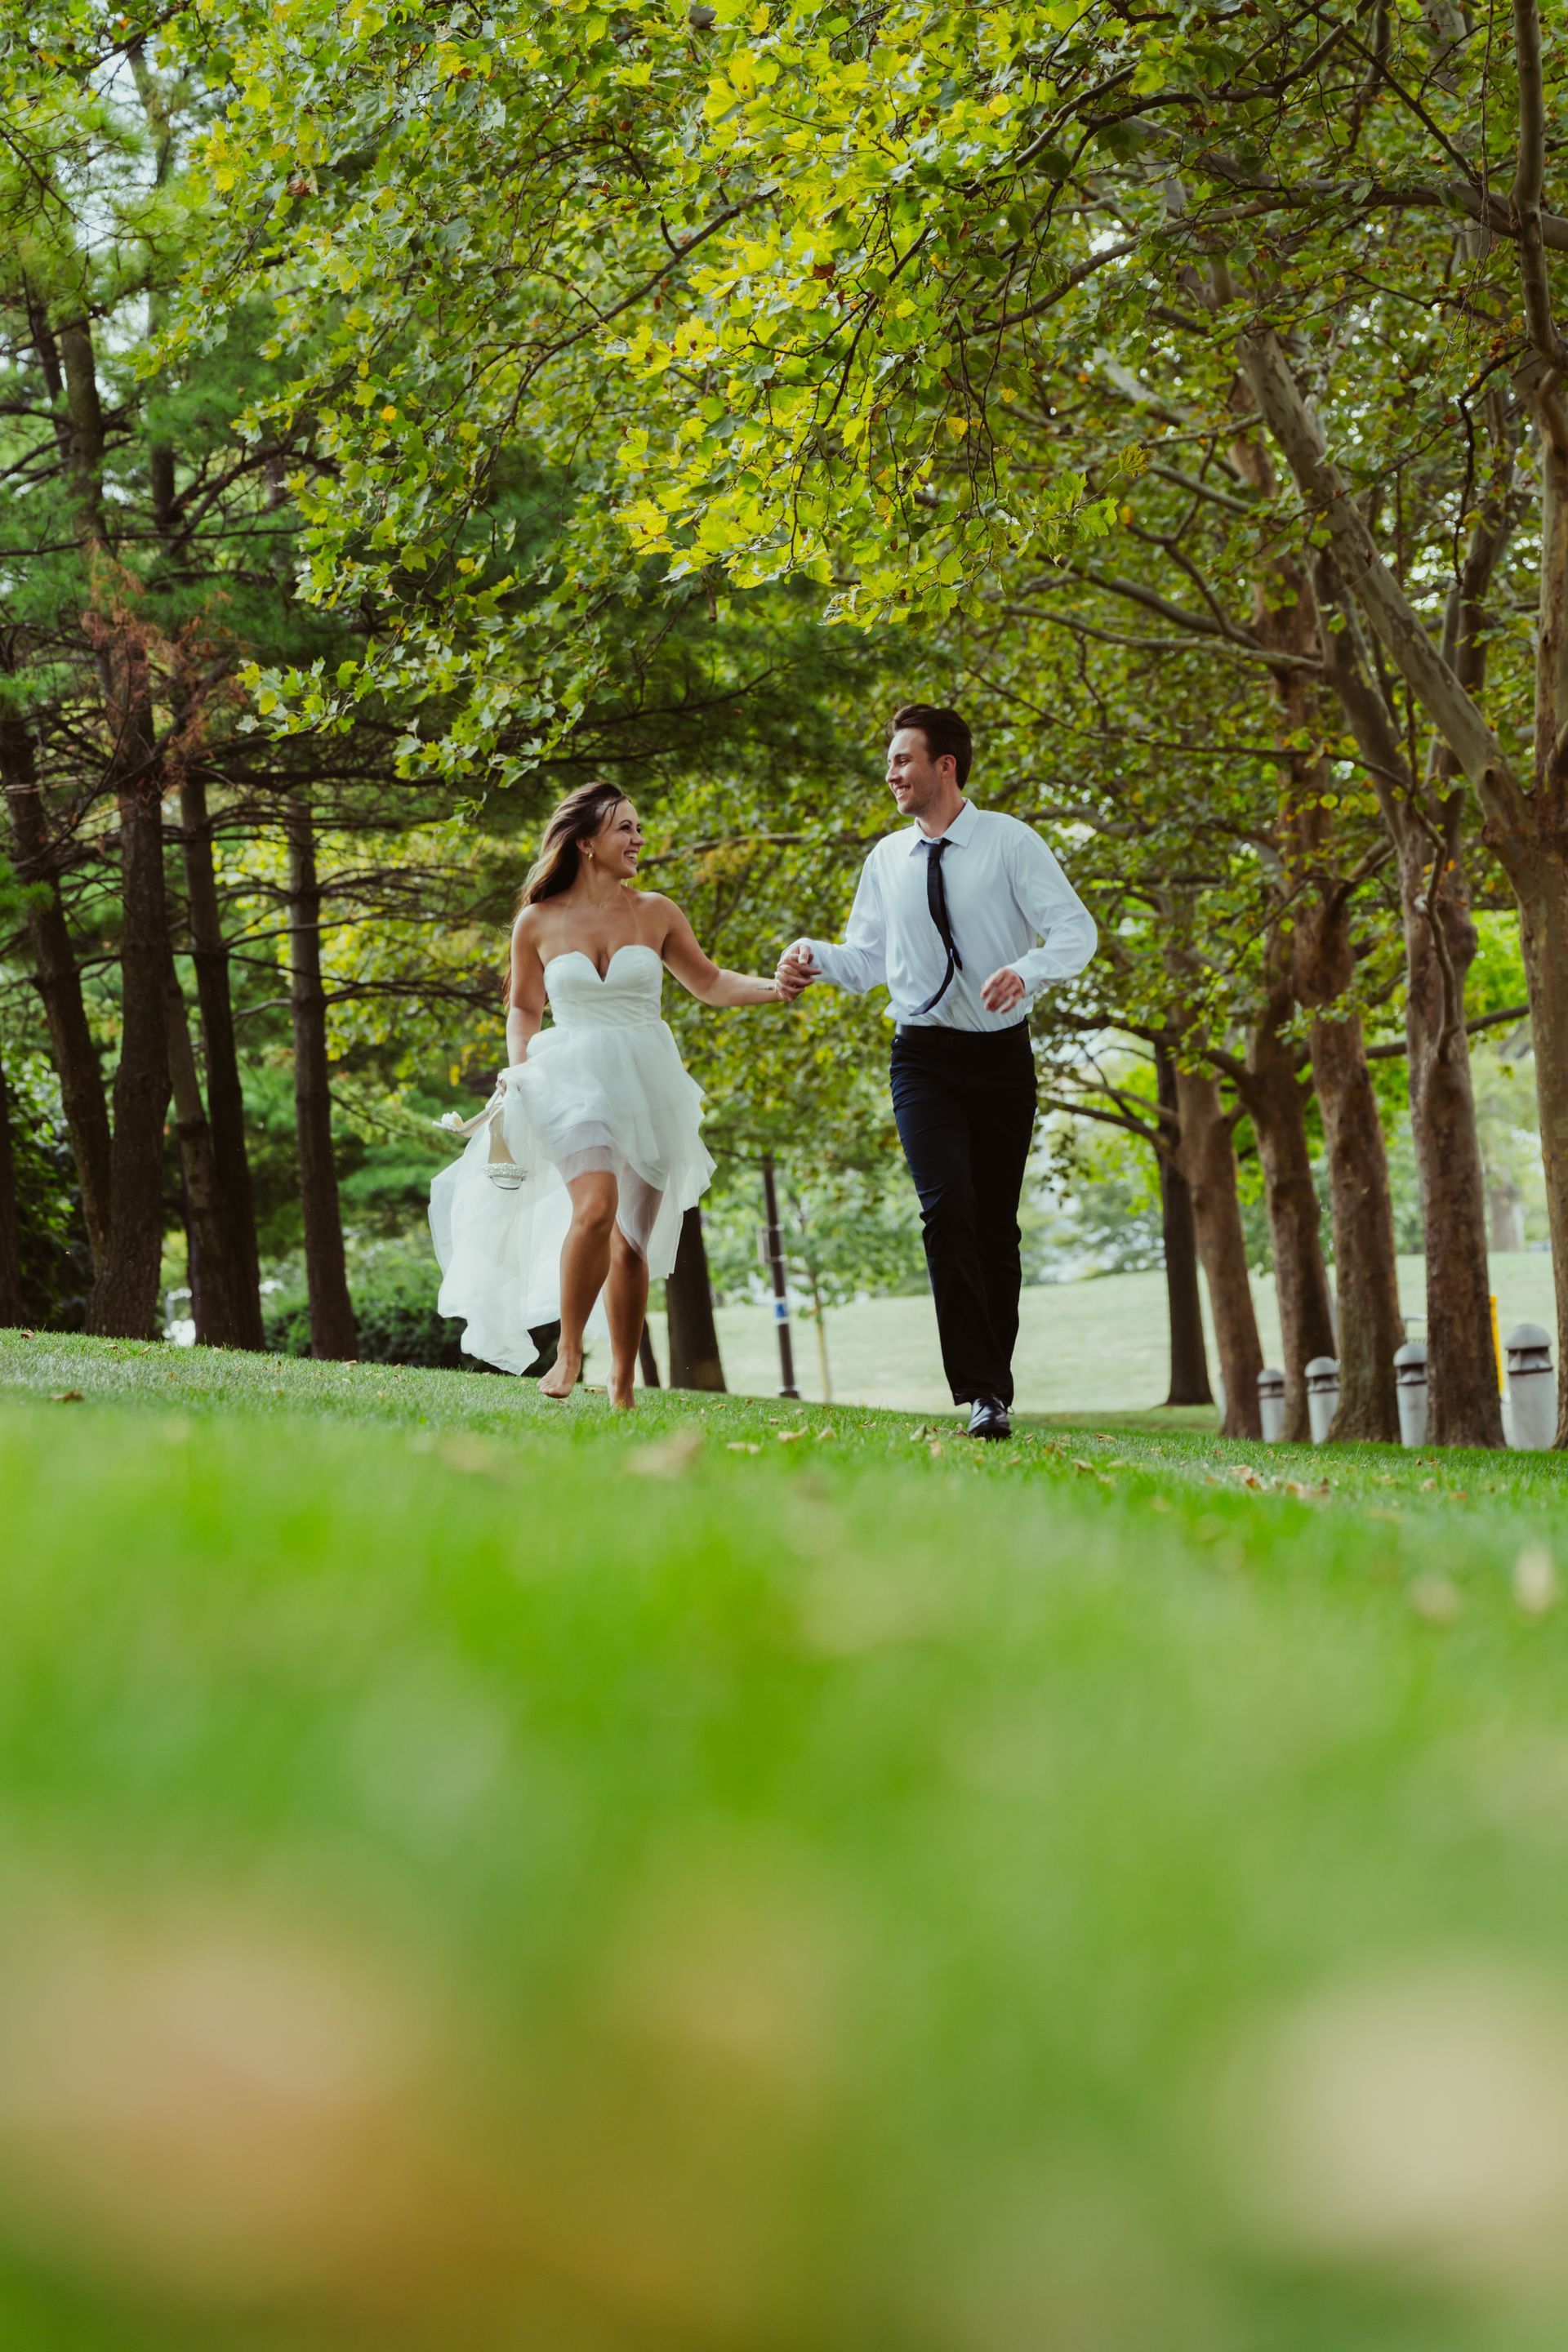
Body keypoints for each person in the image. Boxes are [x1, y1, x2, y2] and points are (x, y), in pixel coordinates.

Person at [431, 779, 804, 1410]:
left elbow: (709, 983)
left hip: (647, 1079)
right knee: (595, 1207)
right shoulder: (537, 922)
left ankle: (624, 1386)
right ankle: (571, 1349)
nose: (638, 839)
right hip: (569, 1079)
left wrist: (777, 988)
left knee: (632, 1241)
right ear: (585, 844)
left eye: (638, 827)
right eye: (625, 828)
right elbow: (524, 1007)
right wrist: (521, 1071)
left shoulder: (656, 911)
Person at [778, 705, 1096, 1440]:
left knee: (994, 1229)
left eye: (901, 760)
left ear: (943, 766)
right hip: (919, 1055)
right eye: (891, 763)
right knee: (945, 1207)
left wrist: (1028, 970)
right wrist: (811, 955)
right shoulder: (886, 859)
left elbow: (1076, 930)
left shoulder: (1012, 843)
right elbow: (866, 964)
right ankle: (982, 1392)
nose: (890, 774)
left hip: (1000, 1057)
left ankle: (996, 1390)